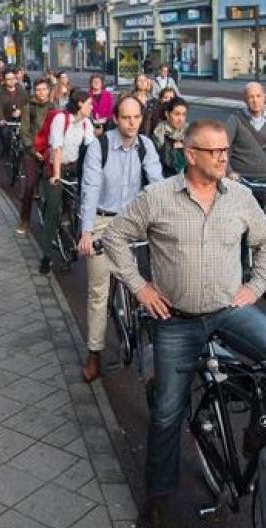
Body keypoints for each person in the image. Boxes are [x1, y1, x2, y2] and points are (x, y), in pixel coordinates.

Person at [101, 119, 266, 528]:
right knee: (166, 416)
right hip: (174, 321)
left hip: (228, 311)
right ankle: (157, 500)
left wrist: (255, 286)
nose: (222, 157)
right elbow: (116, 237)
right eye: (213, 151)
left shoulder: (239, 197)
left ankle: (259, 433)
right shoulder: (157, 197)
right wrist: (140, 287)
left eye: (224, 151)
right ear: (190, 154)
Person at [78, 95, 163, 382]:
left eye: (137, 117)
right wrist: (87, 231)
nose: (132, 123)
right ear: (115, 118)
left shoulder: (146, 146)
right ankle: (94, 353)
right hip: (102, 221)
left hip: (133, 222)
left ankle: (150, 349)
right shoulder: (98, 147)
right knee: (99, 293)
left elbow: (157, 186)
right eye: (126, 117)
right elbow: (89, 189)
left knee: (148, 285)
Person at [40, 89, 95, 274]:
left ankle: (70, 234)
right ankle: (46, 257)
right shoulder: (61, 120)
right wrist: (56, 175)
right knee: (53, 211)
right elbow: (56, 148)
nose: (92, 107)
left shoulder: (87, 123)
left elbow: (92, 148)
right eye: (89, 104)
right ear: (79, 104)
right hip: (57, 167)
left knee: (78, 205)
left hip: (74, 167)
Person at [16, 77, 54, 235]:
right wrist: (33, 151)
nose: (41, 93)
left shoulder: (54, 107)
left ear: (49, 90)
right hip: (32, 153)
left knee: (55, 185)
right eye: (38, 90)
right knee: (30, 186)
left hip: (49, 151)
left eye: (44, 89)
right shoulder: (28, 108)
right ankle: (24, 220)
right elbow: (24, 132)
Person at [151, 95, 188, 176]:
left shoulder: (190, 134)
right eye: (177, 114)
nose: (180, 119)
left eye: (183, 114)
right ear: (167, 114)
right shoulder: (158, 135)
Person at [0, 68, 28, 156]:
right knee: (5, 134)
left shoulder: (21, 90)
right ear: (4, 81)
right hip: (6, 119)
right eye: (8, 79)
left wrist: (20, 111)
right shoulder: (0, 91)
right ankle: (6, 150)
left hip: (20, 119)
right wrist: (1, 119)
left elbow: (26, 103)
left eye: (13, 78)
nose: (11, 81)